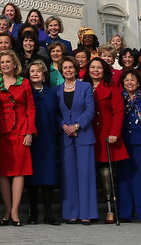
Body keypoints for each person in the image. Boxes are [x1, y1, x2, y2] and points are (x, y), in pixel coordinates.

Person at [0, 50, 37, 227]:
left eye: (8, 62)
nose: (5, 65)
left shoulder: (24, 82)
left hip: (20, 131)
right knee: (3, 173)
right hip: (1, 132)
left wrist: (29, 132)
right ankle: (7, 210)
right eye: (2, 62)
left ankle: (16, 211)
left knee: (19, 172)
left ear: (15, 64)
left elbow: (31, 108)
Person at [84, 57, 127, 224]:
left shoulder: (111, 87)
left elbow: (119, 111)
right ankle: (90, 209)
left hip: (106, 135)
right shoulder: (84, 86)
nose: (96, 70)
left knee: (106, 173)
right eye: (92, 67)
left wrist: (115, 132)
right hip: (88, 134)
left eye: (99, 68)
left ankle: (110, 209)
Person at [55, 56, 98, 224]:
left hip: (84, 135)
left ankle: (87, 213)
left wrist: (77, 125)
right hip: (65, 136)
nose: (68, 70)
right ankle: (71, 212)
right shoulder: (56, 90)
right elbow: (56, 113)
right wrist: (64, 126)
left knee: (86, 175)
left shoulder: (86, 86)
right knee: (69, 176)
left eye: (71, 67)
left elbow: (90, 110)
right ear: (61, 70)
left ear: (76, 68)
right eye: (65, 68)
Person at [117, 69, 141, 224]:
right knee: (124, 179)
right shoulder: (119, 97)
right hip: (123, 143)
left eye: (132, 80)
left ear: (138, 82)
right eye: (126, 80)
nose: (129, 83)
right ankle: (125, 213)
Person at [26, 60, 60, 225]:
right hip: (31, 139)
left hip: (48, 139)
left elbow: (56, 115)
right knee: (32, 180)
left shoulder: (51, 93)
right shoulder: (26, 92)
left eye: (39, 71)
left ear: (45, 75)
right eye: (32, 71)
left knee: (48, 178)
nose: (35, 74)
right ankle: (33, 215)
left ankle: (48, 214)